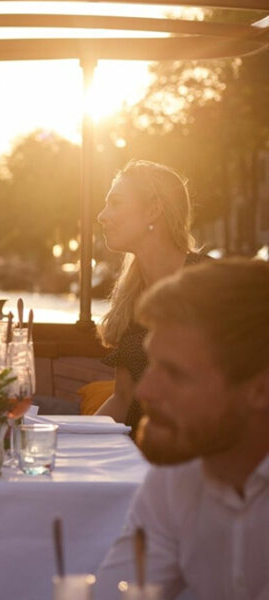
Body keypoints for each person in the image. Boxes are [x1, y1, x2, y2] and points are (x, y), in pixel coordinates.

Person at [95, 259, 269, 600]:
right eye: (152, 363)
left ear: (259, 392)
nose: (145, 393)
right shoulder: (173, 479)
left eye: (175, 373)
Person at [94, 160, 203, 435]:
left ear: (153, 210)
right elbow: (123, 399)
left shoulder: (207, 283)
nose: (101, 216)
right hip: (135, 453)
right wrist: (65, 441)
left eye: (115, 203)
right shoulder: (132, 294)